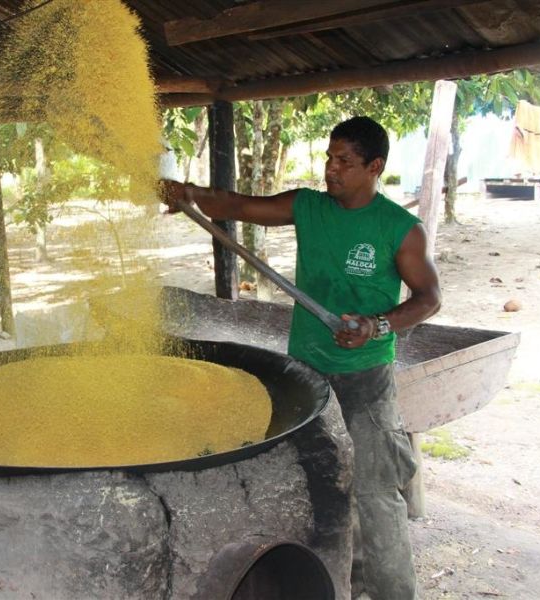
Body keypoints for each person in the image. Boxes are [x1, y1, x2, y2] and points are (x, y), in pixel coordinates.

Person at [161, 116, 441, 599]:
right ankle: (344, 584)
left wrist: (376, 324)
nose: (331, 169)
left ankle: (395, 593)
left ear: (374, 167)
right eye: (329, 157)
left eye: (344, 162)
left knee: (376, 496)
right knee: (326, 490)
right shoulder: (308, 206)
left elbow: (429, 297)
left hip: (366, 380)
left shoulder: (399, 228)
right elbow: (236, 205)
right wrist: (186, 192)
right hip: (309, 376)